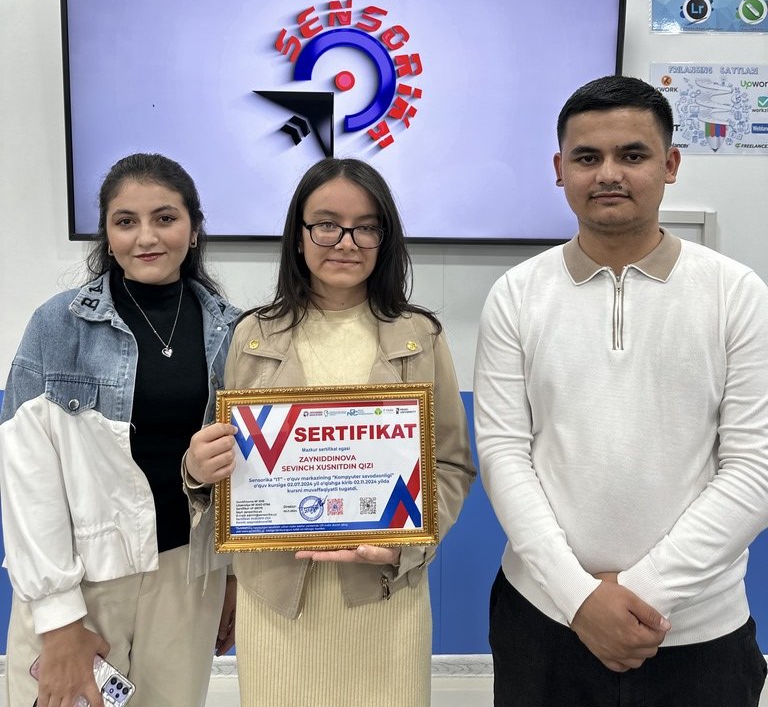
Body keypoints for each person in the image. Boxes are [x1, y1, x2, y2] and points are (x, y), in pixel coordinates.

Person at [473, 75, 768, 707]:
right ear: (560, 169)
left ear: (671, 165)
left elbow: (755, 468)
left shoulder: (737, 294)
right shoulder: (516, 295)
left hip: (697, 632)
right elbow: (503, 455)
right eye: (588, 157)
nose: (609, 173)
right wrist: (579, 599)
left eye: (632, 155)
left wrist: (641, 595)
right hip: (544, 620)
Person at [185, 157, 475, 707]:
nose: (346, 242)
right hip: (277, 604)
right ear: (298, 236)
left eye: (366, 227)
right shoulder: (251, 335)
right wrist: (197, 471)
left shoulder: (420, 336)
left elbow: (452, 464)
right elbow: (223, 465)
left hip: (383, 601)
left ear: (385, 238)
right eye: (326, 225)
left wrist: (402, 547)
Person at [0, 153, 241, 707]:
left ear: (194, 229)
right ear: (108, 236)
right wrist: (59, 617)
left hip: (188, 576)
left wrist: (228, 575)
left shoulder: (232, 330)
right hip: (83, 580)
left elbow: (234, 469)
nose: (146, 237)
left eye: (165, 218)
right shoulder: (57, 326)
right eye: (126, 221)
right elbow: (25, 477)